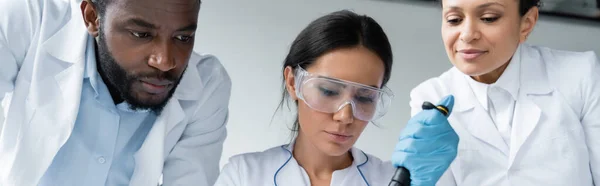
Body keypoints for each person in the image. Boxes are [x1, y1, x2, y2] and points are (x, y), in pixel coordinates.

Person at [214, 10, 459, 186]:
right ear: (292, 82)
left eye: (365, 97)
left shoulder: (391, 180)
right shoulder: (244, 176)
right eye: (329, 91)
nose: (345, 116)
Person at [0, 0, 231, 185]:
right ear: (92, 17)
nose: (165, 61)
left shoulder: (206, 85)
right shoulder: (29, 19)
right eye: (142, 34)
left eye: (183, 38)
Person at [410, 0, 600, 185]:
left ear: (527, 23)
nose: (467, 35)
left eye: (488, 18)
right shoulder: (431, 97)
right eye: (453, 19)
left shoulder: (580, 74)